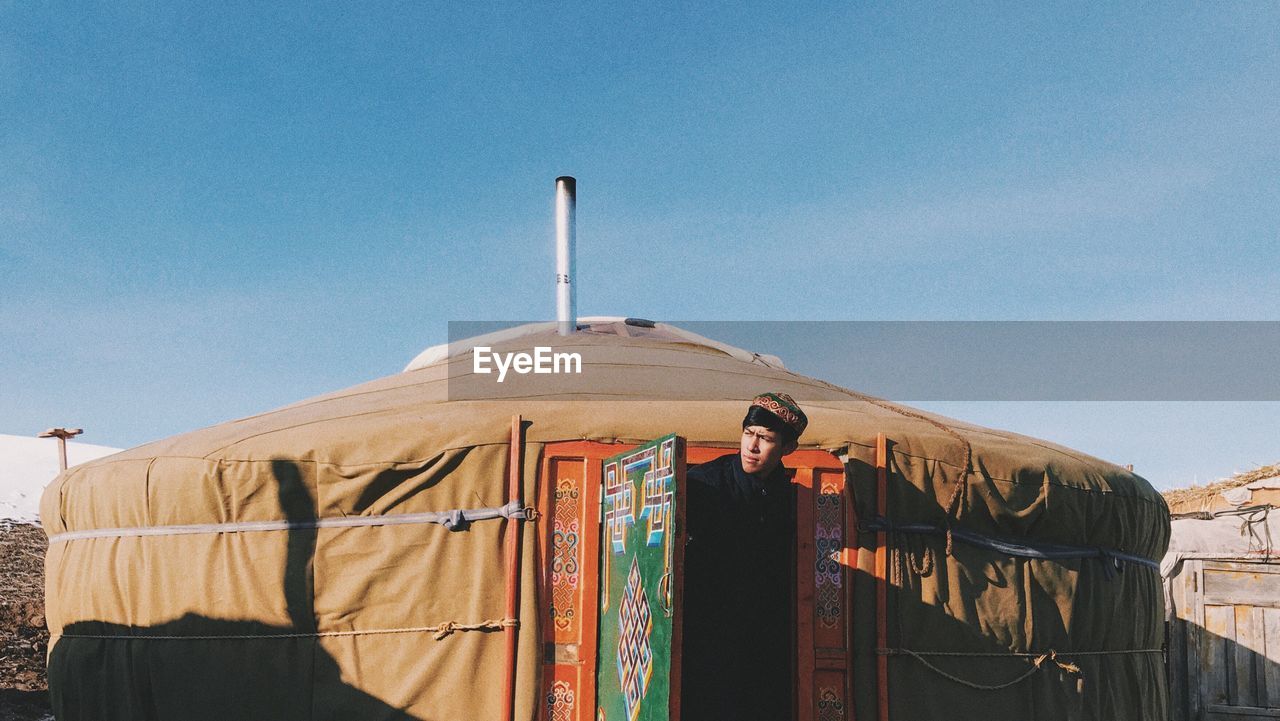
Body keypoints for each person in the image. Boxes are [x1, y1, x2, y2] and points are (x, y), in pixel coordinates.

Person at [681, 392, 808, 721]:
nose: (752, 446)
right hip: (707, 632)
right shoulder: (702, 485)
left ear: (787, 449)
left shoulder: (790, 494)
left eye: (765, 439)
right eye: (748, 434)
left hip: (764, 635)